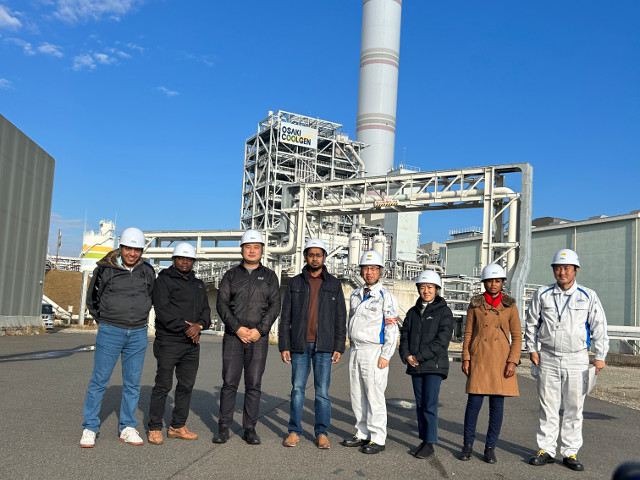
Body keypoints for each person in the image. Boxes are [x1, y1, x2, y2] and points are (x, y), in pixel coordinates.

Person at [525, 248, 609, 472]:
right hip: (548, 356)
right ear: (553, 270)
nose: (562, 272)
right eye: (558, 268)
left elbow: (599, 326)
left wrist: (600, 356)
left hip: (577, 357)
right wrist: (532, 349)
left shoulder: (588, 295)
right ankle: (546, 449)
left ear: (576, 270)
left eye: (566, 268)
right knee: (548, 405)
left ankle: (570, 452)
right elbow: (531, 323)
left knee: (574, 406)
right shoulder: (542, 294)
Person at [80, 227, 155, 448]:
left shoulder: (147, 271)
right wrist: (105, 320)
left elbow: (152, 296)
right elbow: (93, 299)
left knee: (132, 383)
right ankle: (89, 427)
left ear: (141, 251)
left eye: (137, 250)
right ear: (121, 247)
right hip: (110, 330)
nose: (132, 253)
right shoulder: (104, 269)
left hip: (138, 332)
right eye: (128, 248)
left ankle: (127, 427)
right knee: (99, 380)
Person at [213, 229, 281, 445]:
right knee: (229, 383)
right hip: (234, 337)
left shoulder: (269, 276)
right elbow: (222, 304)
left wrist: (260, 330)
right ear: (242, 249)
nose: (252, 251)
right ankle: (223, 427)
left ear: (261, 250)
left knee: (253, 384)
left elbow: (275, 305)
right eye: (248, 247)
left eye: (256, 247)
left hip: (258, 338)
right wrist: (237, 329)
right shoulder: (231, 275)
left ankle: (249, 428)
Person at [279, 239, 347, 449]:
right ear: (306, 257)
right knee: (297, 390)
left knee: (322, 392)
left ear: (324, 257)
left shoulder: (333, 284)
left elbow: (340, 317)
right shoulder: (295, 283)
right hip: (299, 345)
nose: (315, 258)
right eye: (311, 255)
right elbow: (286, 316)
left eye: (318, 255)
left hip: (324, 347)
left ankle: (322, 433)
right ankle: (294, 431)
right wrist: (284, 345)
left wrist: (339, 346)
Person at [147, 243, 212, 445]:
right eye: (181, 258)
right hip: (169, 341)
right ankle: (155, 427)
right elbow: (163, 311)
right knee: (163, 385)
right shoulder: (163, 281)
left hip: (191, 344)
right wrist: (188, 328)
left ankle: (177, 426)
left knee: (186, 385)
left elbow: (206, 311)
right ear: (174, 259)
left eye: (189, 259)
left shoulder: (198, 284)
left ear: (193, 261)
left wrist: (200, 326)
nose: (185, 262)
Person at [459, 264, 521, 464]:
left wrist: (513, 361)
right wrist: (466, 357)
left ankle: (490, 448)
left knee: (496, 407)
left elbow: (517, 336)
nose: (493, 284)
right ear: (484, 283)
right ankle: (467, 445)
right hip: (479, 358)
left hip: (501, 361)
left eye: (497, 281)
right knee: (473, 405)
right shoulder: (475, 304)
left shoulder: (510, 305)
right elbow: (468, 333)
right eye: (490, 281)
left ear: (502, 282)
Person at [340, 251, 399, 455]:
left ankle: (378, 437)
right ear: (361, 271)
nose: (369, 272)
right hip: (356, 349)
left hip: (374, 350)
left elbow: (392, 327)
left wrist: (386, 355)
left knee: (374, 395)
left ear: (380, 271)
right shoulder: (356, 294)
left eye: (374, 268)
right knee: (357, 394)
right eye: (366, 268)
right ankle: (362, 432)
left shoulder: (386, 296)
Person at [399, 270, 453, 460]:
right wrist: (406, 355)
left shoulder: (444, 312)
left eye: (430, 287)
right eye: (423, 287)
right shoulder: (413, 312)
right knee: (420, 405)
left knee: (429, 405)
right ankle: (423, 440)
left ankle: (429, 443)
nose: (426, 291)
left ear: (437, 289)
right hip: (416, 365)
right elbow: (404, 335)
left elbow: (442, 341)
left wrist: (418, 357)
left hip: (434, 366)